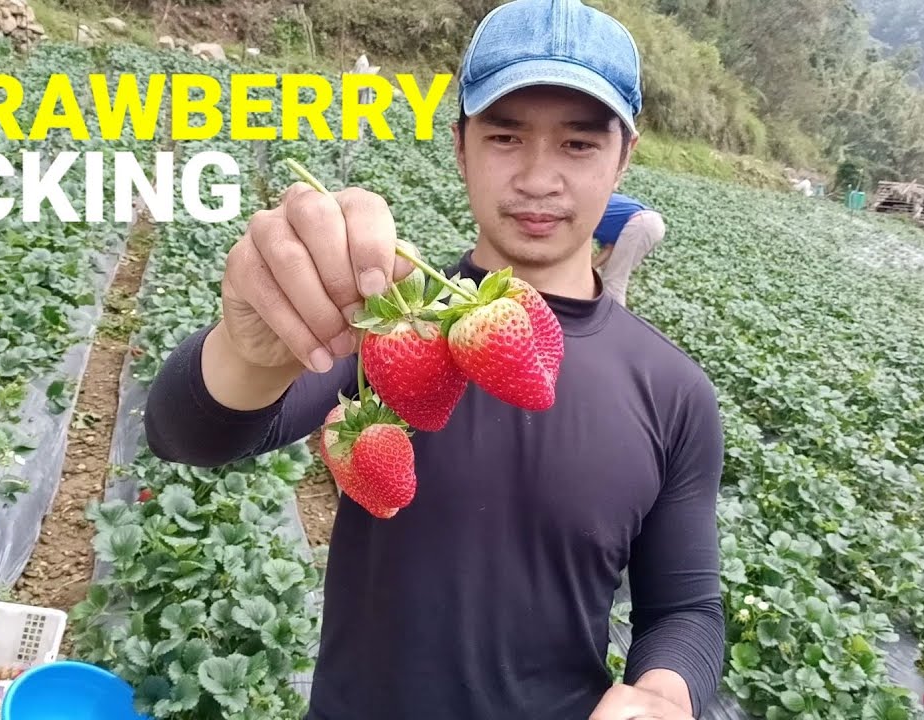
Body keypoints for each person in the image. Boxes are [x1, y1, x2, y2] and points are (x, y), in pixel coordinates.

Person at [141, 0, 727, 718]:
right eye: (506, 136)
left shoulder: (672, 390)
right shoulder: (386, 322)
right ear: (461, 147)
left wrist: (666, 695)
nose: (540, 178)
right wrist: (251, 350)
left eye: (579, 144)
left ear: (624, 155)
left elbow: (687, 607)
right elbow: (188, 434)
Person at [592, 192, 667, 306]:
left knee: (614, 280)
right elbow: (609, 249)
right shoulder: (606, 214)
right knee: (608, 273)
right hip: (650, 224)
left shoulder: (587, 209)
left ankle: (615, 321)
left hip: (642, 223)